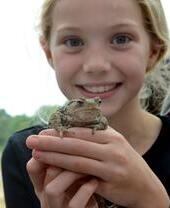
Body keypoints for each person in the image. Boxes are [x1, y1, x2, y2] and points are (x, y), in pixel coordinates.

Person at [2, 0, 170, 207]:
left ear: (153, 51)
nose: (95, 65)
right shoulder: (26, 152)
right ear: (48, 54)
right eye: (73, 42)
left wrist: (153, 201)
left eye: (121, 38)